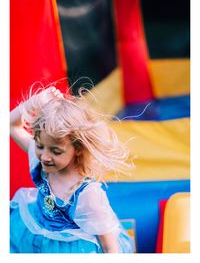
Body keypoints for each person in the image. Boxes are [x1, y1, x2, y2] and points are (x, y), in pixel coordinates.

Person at [10, 85, 134, 253]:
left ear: (78, 149)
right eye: (39, 146)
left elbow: (109, 246)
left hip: (72, 248)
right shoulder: (42, 158)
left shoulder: (86, 194)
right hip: (36, 233)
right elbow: (10, 125)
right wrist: (36, 101)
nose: (45, 156)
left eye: (56, 151)